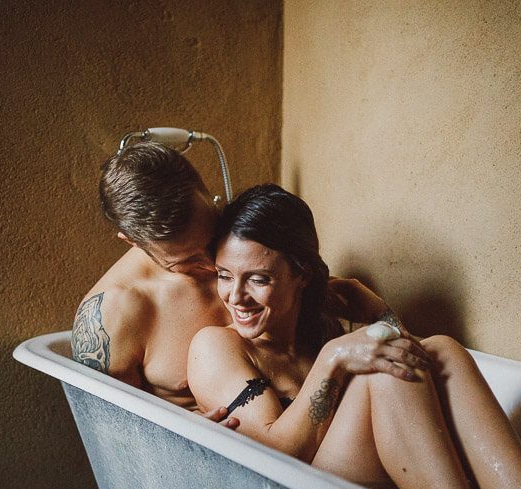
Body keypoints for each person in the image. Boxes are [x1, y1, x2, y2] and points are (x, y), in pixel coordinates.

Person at [188, 184, 521, 489]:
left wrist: (380, 313)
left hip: (364, 478)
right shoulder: (216, 347)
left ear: (301, 274)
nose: (235, 296)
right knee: (382, 370)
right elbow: (283, 456)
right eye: (224, 275)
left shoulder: (324, 328)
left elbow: (420, 387)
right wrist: (334, 357)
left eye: (257, 279)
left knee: (444, 349)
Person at [72, 141, 400, 421]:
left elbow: (311, 296)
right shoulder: (113, 315)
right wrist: (192, 433)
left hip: (311, 430)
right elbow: (115, 435)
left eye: (212, 239)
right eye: (186, 263)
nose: (212, 264)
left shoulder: (239, 250)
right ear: (131, 241)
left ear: (207, 195)